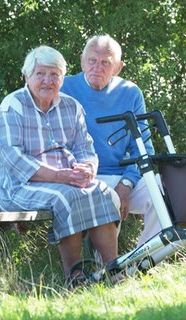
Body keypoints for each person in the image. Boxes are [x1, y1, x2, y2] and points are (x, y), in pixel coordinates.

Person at [0, 45, 120, 282]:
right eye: (40, 74)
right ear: (27, 76)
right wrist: (58, 176)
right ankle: (75, 277)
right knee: (66, 197)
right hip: (18, 185)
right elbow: (13, 159)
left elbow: (85, 149)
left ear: (62, 78)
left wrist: (88, 169)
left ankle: (114, 271)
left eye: (54, 75)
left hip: (67, 180)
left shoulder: (72, 107)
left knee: (102, 191)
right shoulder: (12, 107)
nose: (47, 81)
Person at [61, 35, 161, 246]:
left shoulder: (130, 93)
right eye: (92, 60)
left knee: (164, 191)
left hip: (122, 176)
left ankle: (143, 260)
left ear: (118, 67)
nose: (97, 67)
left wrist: (127, 182)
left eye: (106, 62)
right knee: (108, 199)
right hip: (83, 179)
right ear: (82, 61)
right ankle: (107, 269)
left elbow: (143, 147)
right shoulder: (63, 89)